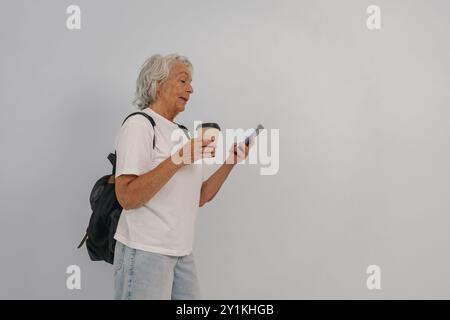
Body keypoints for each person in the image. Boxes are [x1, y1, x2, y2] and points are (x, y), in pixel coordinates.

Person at [113, 53, 252, 300]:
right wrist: (178, 159)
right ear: (158, 83)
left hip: (182, 253)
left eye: (191, 82)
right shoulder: (140, 125)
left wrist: (231, 162)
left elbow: (199, 196)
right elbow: (126, 197)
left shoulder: (183, 133)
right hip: (146, 251)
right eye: (183, 81)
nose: (191, 88)